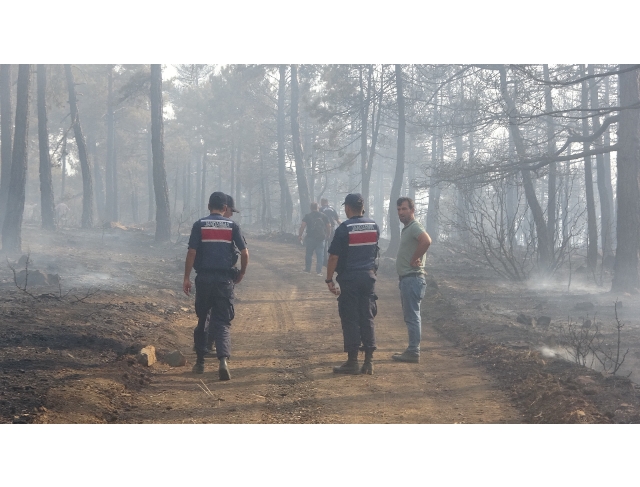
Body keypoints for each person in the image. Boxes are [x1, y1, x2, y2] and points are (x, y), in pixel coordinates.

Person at [183, 192, 249, 379]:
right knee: (222, 322)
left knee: (202, 319)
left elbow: (191, 252)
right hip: (224, 281)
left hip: (203, 280)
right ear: (225, 208)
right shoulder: (232, 226)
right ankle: (223, 361)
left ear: (209, 206)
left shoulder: (199, 225)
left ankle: (200, 362)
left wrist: (186, 277)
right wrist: (242, 272)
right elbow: (244, 253)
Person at [326, 193, 380, 375]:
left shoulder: (344, 228)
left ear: (348, 208)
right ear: (362, 207)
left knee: (350, 318)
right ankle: (369, 362)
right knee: (367, 316)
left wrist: (329, 279)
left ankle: (352, 361)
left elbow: (334, 256)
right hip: (368, 277)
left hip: (349, 279)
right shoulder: (373, 226)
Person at [392, 196, 432, 364]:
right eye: (399, 209)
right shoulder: (408, 228)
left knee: (412, 316)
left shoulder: (415, 226)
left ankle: (413, 351)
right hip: (408, 279)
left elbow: (427, 241)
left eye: (404, 209)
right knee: (411, 316)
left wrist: (415, 257)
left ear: (412, 210)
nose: (401, 212)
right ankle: (412, 349)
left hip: (412, 278)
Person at [299, 202, 331, 276]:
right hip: (321, 238)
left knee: (309, 254)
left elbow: (302, 226)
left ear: (311, 208)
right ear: (318, 207)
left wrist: (300, 235)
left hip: (310, 237)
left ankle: (307, 270)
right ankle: (319, 272)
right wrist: (328, 234)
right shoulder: (323, 216)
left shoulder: (307, 216)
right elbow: (328, 226)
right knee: (320, 254)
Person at [320, 198, 341, 266]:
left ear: (322, 202)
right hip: (332, 228)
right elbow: (337, 220)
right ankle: (331, 260)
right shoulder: (332, 209)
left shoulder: (321, 209)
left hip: (324, 228)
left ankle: (324, 261)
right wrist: (344, 226)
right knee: (331, 245)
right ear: (327, 202)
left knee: (323, 245)